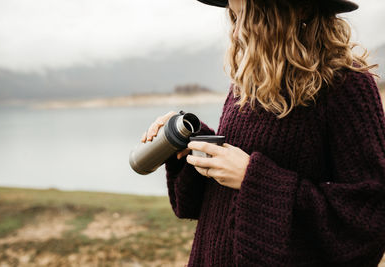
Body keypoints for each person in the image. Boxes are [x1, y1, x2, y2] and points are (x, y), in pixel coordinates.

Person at [141, 0, 385, 266]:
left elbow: (370, 220)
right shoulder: (247, 86)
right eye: (233, 17)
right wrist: (193, 144)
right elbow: (222, 203)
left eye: (245, 16)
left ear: (298, 9)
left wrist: (252, 178)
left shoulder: (347, 86)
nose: (235, 33)